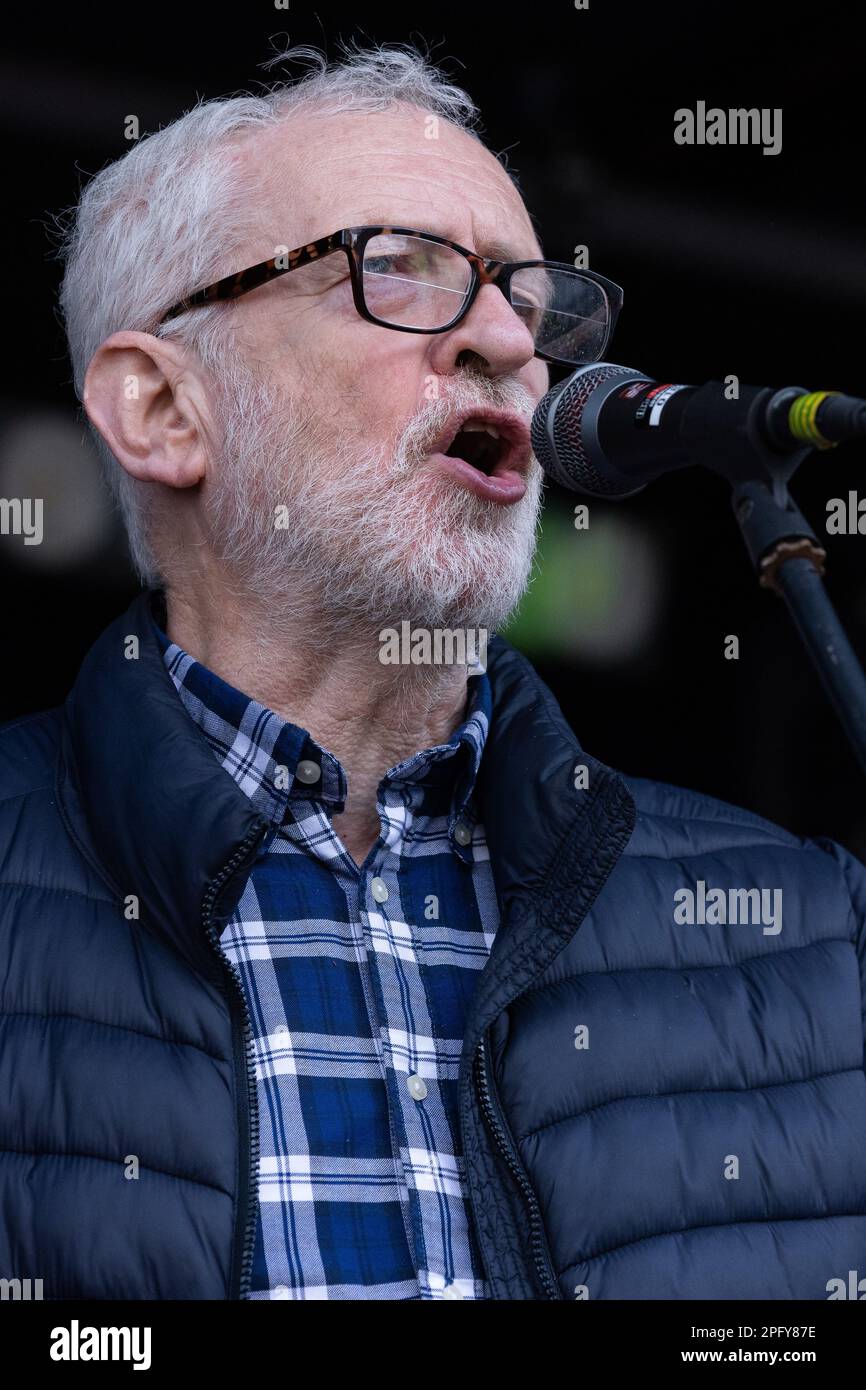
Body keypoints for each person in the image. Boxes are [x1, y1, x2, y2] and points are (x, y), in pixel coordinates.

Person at [1, 42, 864, 1301]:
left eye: (525, 293)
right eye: (396, 267)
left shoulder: (817, 936)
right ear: (161, 412)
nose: (510, 340)